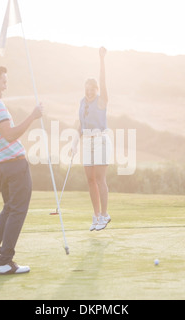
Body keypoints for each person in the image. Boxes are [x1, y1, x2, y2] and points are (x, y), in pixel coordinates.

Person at [0, 65, 43, 275]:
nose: (5, 86)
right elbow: (10, 135)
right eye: (3, 81)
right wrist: (33, 116)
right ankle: (4, 261)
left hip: (1, 165)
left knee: (9, 209)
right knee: (17, 211)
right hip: (14, 163)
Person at [72, 47, 112, 231]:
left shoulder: (101, 99)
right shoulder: (82, 102)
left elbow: (103, 80)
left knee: (99, 178)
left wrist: (101, 59)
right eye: (87, 89)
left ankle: (104, 215)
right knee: (90, 179)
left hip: (101, 140)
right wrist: (74, 143)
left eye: (92, 89)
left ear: (96, 90)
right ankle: (96, 216)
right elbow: (80, 123)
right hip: (86, 141)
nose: (89, 92)